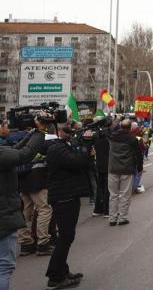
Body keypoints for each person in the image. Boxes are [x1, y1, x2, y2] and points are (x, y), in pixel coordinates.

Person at [43, 122, 91, 290]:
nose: (70, 130)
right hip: (64, 197)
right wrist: (86, 144)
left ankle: (63, 271)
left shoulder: (62, 145)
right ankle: (55, 276)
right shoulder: (55, 148)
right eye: (66, 128)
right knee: (65, 237)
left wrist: (81, 143)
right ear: (57, 131)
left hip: (69, 195)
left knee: (66, 237)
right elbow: (77, 162)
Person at [0, 120, 45, 290]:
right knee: (4, 266)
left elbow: (14, 150)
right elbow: (23, 155)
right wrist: (41, 131)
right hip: (3, 217)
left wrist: (33, 133)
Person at [17, 114, 53, 257]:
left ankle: (25, 243)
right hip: (38, 179)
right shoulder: (44, 138)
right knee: (44, 209)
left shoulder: (26, 137)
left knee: (25, 211)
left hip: (22, 178)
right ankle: (43, 243)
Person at [107, 118, 142, 226]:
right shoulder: (132, 139)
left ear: (120, 126)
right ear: (130, 128)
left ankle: (112, 218)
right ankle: (122, 217)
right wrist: (139, 168)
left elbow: (109, 129)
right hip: (126, 169)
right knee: (125, 195)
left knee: (113, 195)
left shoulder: (112, 136)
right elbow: (138, 154)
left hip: (113, 169)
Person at [90, 117, 110, 218]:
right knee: (107, 189)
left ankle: (98, 210)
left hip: (98, 165)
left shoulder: (94, 137)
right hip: (108, 166)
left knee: (99, 188)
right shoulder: (108, 137)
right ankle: (107, 211)